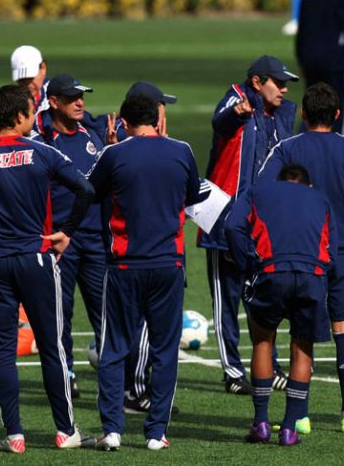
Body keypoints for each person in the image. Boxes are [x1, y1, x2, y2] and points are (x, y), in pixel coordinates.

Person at [259, 82, 344, 434]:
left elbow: (261, 190)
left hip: (304, 255)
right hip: (343, 253)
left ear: (303, 114)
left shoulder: (287, 148)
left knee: (301, 333)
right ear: (337, 114)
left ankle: (300, 416)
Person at [88, 95, 203, 451]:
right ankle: (155, 434)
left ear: (123, 121)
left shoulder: (114, 154)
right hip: (168, 264)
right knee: (165, 350)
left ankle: (112, 431)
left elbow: (91, 192)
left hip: (124, 265)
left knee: (114, 348)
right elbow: (192, 196)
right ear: (158, 118)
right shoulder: (182, 151)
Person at [0, 84, 94, 453]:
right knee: (52, 347)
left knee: (2, 349)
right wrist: (66, 233)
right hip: (36, 257)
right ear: (19, 116)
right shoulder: (41, 152)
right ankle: (65, 432)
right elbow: (86, 190)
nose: (35, 117)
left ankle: (14, 436)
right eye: (31, 111)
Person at [199, 55, 299, 395]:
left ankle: (268, 366)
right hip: (222, 219)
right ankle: (232, 371)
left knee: (266, 298)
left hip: (263, 224)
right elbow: (221, 121)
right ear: (257, 82)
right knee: (225, 299)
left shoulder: (280, 115)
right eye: (279, 82)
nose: (284, 89)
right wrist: (238, 112)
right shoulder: (237, 101)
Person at [225, 164, 337, 446]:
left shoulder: (258, 190)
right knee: (302, 348)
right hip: (312, 275)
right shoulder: (320, 198)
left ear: (280, 181)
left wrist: (246, 262)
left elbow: (232, 225)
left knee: (263, 342)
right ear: (307, 185)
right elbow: (332, 246)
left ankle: (261, 423)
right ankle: (289, 429)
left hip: (271, 273)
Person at [32, 74, 107, 399]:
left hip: (94, 240)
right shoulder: (41, 141)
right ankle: (68, 374)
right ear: (54, 102)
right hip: (59, 242)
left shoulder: (92, 136)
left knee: (105, 312)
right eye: (72, 97)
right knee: (60, 314)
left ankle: (114, 375)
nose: (80, 102)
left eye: (82, 96)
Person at [296, 0, 344, 135]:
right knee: (338, 108)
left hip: (311, 60)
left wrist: (301, 58)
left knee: (311, 105)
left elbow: (303, 27)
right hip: (336, 61)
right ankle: (336, 149)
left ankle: (304, 146)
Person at [11, 45, 50, 115]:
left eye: (30, 78)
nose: (27, 85)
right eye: (22, 80)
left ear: (43, 68)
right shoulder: (13, 103)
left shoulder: (57, 99)